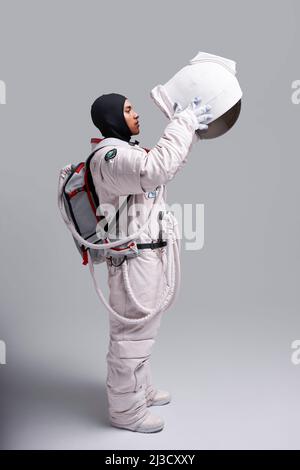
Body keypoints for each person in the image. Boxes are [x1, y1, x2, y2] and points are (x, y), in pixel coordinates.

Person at [90, 92, 213, 433]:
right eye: (128, 109)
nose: (136, 114)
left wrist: (189, 134)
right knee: (131, 335)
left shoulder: (127, 153)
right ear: (112, 117)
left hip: (146, 254)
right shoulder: (110, 156)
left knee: (144, 330)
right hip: (132, 258)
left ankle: (139, 391)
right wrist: (183, 122)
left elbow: (166, 169)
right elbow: (156, 168)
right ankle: (125, 411)